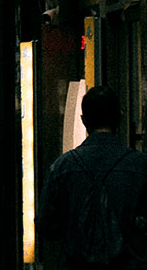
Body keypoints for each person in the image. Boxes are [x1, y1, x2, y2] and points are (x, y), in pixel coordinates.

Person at [38, 85, 147, 268]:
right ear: (119, 117)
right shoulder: (140, 165)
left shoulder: (63, 167)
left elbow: (47, 226)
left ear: (83, 120)